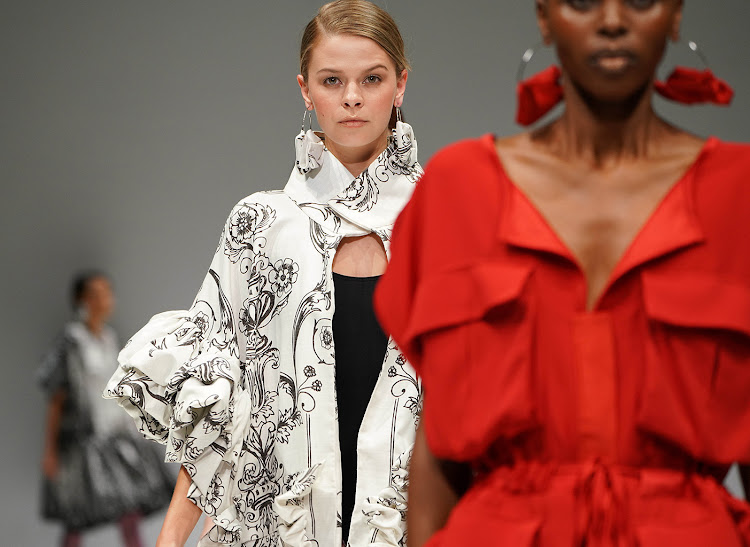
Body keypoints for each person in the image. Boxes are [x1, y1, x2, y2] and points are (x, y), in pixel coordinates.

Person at [375, 0, 750, 545]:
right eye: (582, 1)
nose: (613, 20)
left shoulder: (737, 195)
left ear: (675, 15)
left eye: (642, 0)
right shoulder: (461, 190)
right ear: (545, 18)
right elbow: (438, 452)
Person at [104, 1, 422, 546]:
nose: (351, 97)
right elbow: (217, 403)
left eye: (372, 78)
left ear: (400, 84)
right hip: (278, 528)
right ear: (305, 90)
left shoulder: (449, 222)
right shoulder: (261, 227)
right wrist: (169, 541)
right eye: (331, 80)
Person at [38, 271, 174, 547]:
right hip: (83, 443)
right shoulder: (71, 343)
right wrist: (50, 451)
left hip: (116, 438)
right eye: (95, 294)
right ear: (81, 300)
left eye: (107, 293)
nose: (104, 300)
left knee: (129, 511)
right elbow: (57, 398)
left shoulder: (110, 339)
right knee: (77, 516)